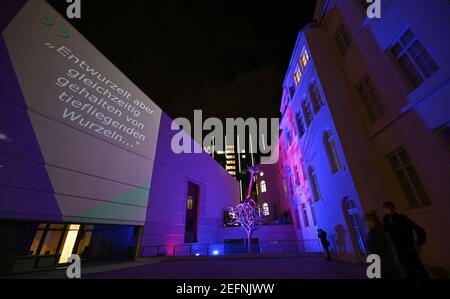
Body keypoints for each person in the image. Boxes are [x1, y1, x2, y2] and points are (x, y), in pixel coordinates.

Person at [382, 201, 429, 278]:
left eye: (388, 207)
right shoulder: (386, 219)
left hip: (408, 247)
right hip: (399, 249)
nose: (386, 210)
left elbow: (420, 230)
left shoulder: (402, 219)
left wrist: (418, 244)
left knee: (417, 267)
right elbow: (385, 230)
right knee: (407, 269)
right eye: (384, 208)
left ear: (393, 208)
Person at [365, 212, 404, 278]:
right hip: (380, 260)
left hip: (384, 260)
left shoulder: (377, 231)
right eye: (366, 220)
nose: (367, 222)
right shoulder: (372, 232)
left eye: (369, 220)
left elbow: (381, 246)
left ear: (374, 221)